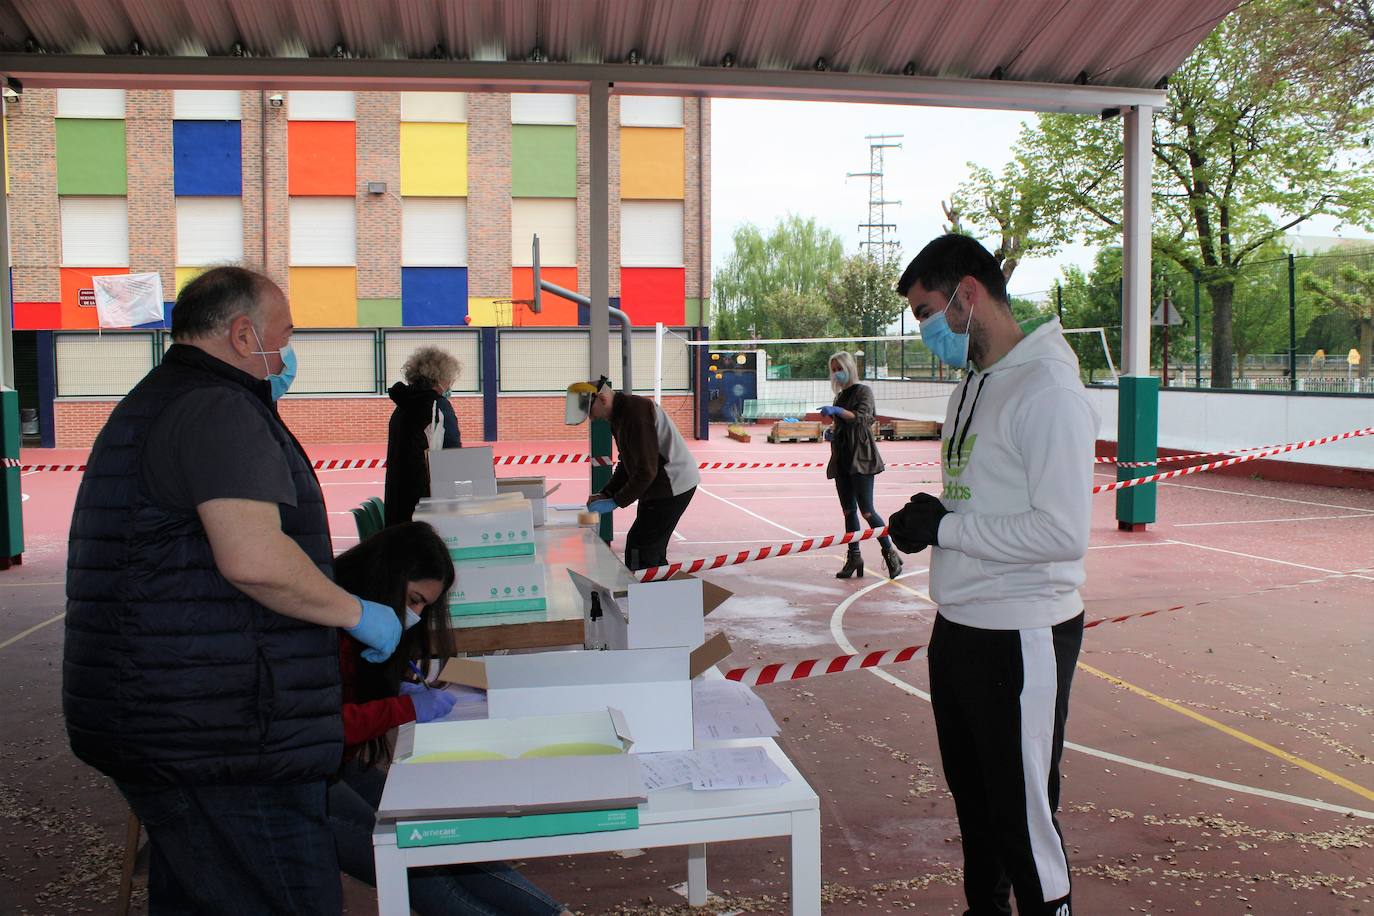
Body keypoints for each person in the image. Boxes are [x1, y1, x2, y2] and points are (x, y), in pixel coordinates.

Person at [63, 266, 402, 914]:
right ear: (245, 335)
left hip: (173, 721)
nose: (290, 352)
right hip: (220, 736)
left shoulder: (163, 397)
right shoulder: (218, 408)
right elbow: (255, 559)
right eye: (287, 334)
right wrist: (359, 614)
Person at [888, 234, 1098, 916]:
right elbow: (987, 498)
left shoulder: (1049, 391)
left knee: (1022, 822)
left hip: (1021, 634)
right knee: (978, 817)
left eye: (928, 311)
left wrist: (947, 528)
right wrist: (937, 511)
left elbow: (1061, 532)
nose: (927, 330)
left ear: (969, 295)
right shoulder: (976, 382)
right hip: (961, 628)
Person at [328, 522, 572, 916]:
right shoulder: (322, 623)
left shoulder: (359, 621)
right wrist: (403, 707)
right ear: (384, 578)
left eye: (423, 605)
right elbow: (318, 726)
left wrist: (391, 687)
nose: (416, 615)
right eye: (413, 600)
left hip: (336, 764)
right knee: (415, 869)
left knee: (452, 840)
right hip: (294, 780)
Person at [565, 376, 699, 571]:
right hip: (660, 485)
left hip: (672, 484)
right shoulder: (619, 416)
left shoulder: (635, 414)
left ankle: (650, 595)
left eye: (590, 412)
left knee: (642, 546)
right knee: (646, 546)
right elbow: (627, 463)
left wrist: (616, 501)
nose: (591, 418)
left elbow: (646, 471)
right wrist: (607, 493)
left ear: (602, 400)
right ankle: (655, 591)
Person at [819, 351, 903, 580]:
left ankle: (890, 552)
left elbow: (864, 418)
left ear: (849, 367)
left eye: (840, 367)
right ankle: (854, 556)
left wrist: (838, 412)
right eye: (834, 369)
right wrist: (832, 432)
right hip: (842, 458)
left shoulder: (863, 391)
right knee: (849, 511)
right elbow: (842, 426)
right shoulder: (840, 395)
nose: (837, 372)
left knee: (867, 511)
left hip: (862, 458)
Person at [385, 346, 463, 526]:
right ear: (439, 377)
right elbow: (453, 455)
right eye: (450, 377)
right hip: (428, 507)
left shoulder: (402, 406)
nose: (450, 383)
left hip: (399, 506)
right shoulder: (437, 407)